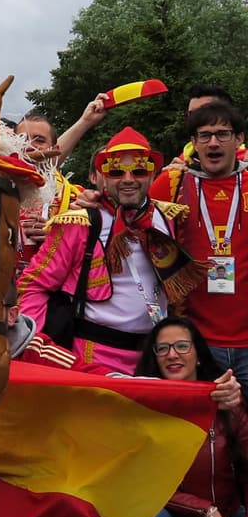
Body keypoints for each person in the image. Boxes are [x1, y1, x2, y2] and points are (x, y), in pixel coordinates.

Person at [19, 127, 195, 375]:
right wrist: (34, 344)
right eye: (115, 172)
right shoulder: (80, 223)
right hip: (92, 359)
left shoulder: (168, 217)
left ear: (153, 173)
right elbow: (34, 284)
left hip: (156, 359)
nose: (128, 179)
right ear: (102, 175)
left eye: (139, 170)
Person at [124, 316, 248, 517]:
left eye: (181, 346)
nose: (172, 354)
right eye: (162, 348)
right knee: (141, 514)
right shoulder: (144, 409)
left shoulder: (227, 403)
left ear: (198, 353)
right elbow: (143, 483)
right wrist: (204, 510)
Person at [150, 103, 248, 393]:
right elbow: (131, 213)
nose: (213, 143)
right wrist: (91, 200)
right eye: (204, 136)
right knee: (208, 430)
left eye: (222, 134)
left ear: (239, 139)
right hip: (196, 341)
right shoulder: (172, 184)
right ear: (193, 143)